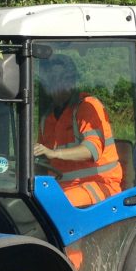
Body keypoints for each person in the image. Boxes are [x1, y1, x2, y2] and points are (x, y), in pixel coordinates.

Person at [34, 54, 123, 207]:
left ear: (71, 80)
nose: (55, 83)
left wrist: (54, 153)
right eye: (51, 79)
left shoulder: (88, 107)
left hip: (99, 186)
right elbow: (41, 161)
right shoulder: (47, 119)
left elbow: (91, 150)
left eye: (61, 78)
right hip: (61, 188)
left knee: (54, 206)